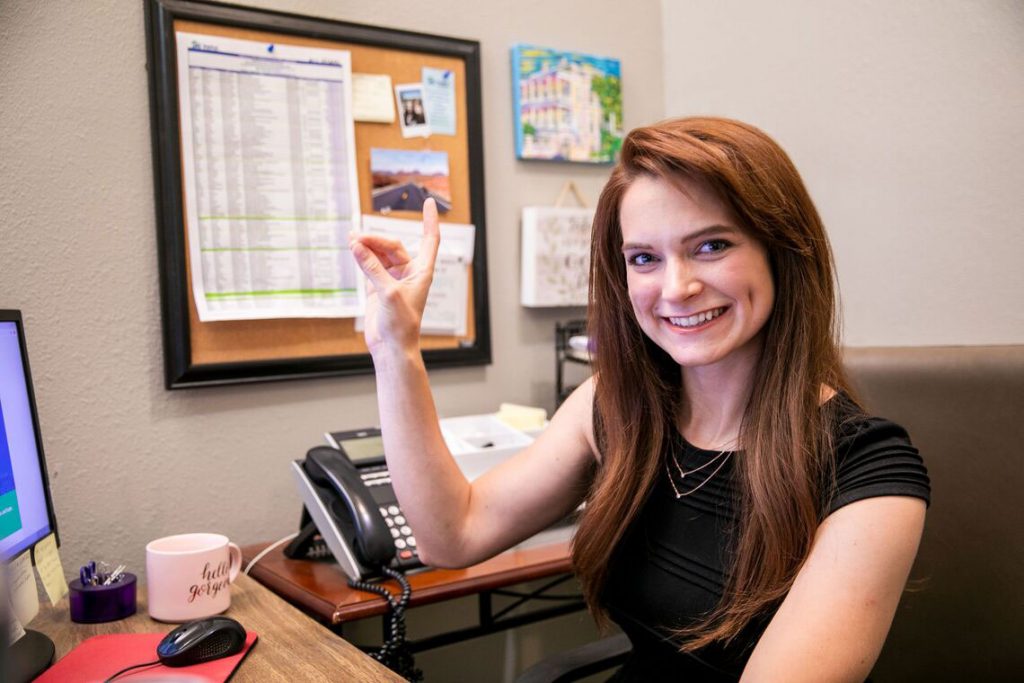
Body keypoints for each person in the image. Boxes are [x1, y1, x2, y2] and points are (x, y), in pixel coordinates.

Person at [349, 117, 930, 681]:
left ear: (781, 252)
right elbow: (452, 534)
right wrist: (396, 350)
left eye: (712, 245)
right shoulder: (616, 407)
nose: (676, 288)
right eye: (645, 258)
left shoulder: (869, 471)